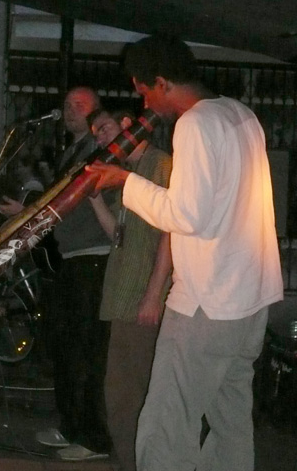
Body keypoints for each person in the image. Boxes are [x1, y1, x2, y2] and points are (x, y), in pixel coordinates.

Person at [87, 35, 284, 471]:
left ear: (161, 82)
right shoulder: (241, 114)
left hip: (207, 302)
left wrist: (124, 181)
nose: (144, 101)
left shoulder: (195, 124)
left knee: (166, 426)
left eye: (143, 90)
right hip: (251, 301)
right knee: (231, 423)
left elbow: (186, 215)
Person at [87, 107, 172, 471]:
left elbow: (172, 233)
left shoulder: (161, 165)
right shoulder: (129, 176)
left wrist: (154, 294)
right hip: (123, 294)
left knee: (127, 393)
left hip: (142, 298)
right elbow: (119, 238)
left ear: (128, 126)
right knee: (120, 393)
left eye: (104, 128)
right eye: (95, 132)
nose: (100, 137)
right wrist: (93, 201)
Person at [34, 86, 113, 462]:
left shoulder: (100, 153)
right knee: (67, 346)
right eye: (65, 105)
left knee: (85, 349)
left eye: (77, 106)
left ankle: (94, 436)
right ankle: (71, 425)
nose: (68, 112)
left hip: (94, 257)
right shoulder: (72, 151)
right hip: (73, 255)